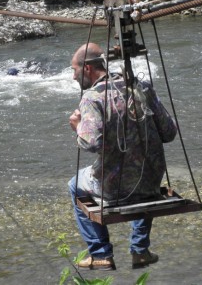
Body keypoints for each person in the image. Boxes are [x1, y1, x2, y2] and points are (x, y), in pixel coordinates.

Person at [68, 43, 178, 270]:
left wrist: (78, 126)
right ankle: (140, 251)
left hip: (114, 188)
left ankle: (101, 254)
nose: (73, 77)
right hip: (150, 182)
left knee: (74, 184)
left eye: (74, 70)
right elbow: (169, 132)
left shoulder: (92, 98)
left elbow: (91, 143)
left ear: (87, 68)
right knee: (143, 170)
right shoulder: (142, 88)